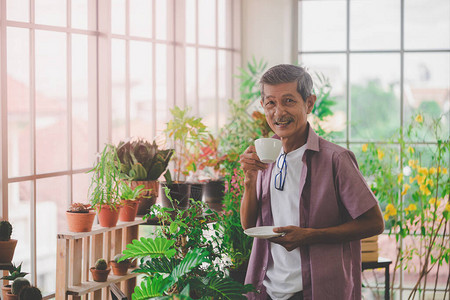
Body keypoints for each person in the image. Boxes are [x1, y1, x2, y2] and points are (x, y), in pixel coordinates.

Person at [239, 64, 385, 300]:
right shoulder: (264, 156)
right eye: (271, 103)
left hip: (317, 290)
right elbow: (248, 225)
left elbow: (374, 223)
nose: (278, 113)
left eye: (288, 101)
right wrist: (249, 179)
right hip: (266, 290)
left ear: (309, 103)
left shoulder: (336, 159)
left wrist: (310, 236)